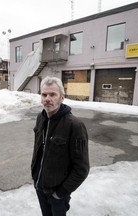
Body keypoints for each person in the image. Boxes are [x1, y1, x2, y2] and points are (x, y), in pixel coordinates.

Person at [31, 76, 90, 216]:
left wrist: (60, 193)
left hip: (57, 193)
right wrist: (35, 177)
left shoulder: (74, 125)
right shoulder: (41, 118)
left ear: (62, 98)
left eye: (52, 94)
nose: (47, 98)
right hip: (40, 186)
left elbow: (82, 169)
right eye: (44, 94)